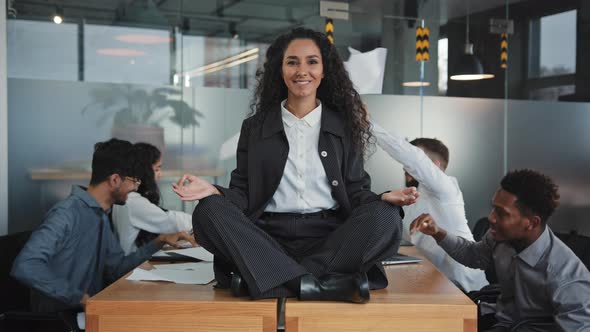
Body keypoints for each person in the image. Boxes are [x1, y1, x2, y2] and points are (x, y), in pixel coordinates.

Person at [173, 28, 418, 303]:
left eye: (312, 62)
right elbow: (243, 194)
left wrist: (383, 198)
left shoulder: (344, 126)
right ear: (280, 69)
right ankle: (319, 284)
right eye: (292, 62)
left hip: (330, 239)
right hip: (267, 240)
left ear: (325, 71)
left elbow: (355, 192)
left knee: (385, 216)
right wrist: (213, 191)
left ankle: (273, 281)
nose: (302, 70)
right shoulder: (255, 128)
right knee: (208, 211)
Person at [11, 138, 196, 314]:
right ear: (115, 180)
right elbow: (26, 265)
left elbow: (117, 268)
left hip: (90, 312)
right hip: (62, 319)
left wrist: (158, 241)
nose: (136, 188)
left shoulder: (100, 214)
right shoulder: (66, 213)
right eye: (134, 181)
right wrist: (80, 298)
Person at [410, 169, 590, 331]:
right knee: (419, 320)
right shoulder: (501, 237)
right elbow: (474, 256)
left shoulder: (567, 278)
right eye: (493, 208)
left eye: (502, 213)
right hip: (499, 319)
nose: (491, 218)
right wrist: (438, 233)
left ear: (532, 222)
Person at [371, 123, 488, 292]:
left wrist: (369, 125)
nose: (405, 167)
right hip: (432, 280)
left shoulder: (447, 189)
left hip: (464, 288)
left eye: (416, 159)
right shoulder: (414, 196)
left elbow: (413, 159)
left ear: (435, 166)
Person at [112, 142, 193, 255]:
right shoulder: (132, 200)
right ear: (145, 171)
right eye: (157, 169)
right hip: (132, 268)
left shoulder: (129, 197)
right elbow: (172, 221)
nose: (160, 174)